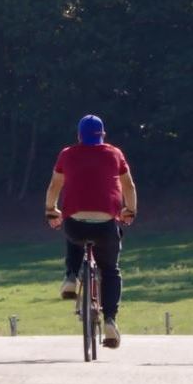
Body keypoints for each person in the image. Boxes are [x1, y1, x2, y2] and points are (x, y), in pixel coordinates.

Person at [45, 114, 137, 348]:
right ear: (102, 135)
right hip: (106, 224)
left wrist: (50, 210)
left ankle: (71, 277)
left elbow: (55, 185)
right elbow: (129, 185)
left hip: (75, 223)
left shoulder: (67, 154)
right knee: (110, 270)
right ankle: (109, 321)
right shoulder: (115, 154)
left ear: (79, 135)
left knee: (72, 231)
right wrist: (130, 211)